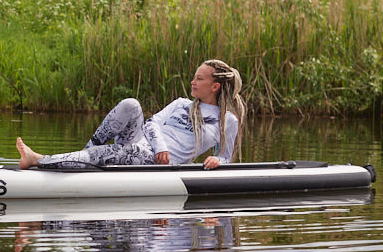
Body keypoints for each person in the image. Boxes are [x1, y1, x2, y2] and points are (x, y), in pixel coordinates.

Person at [16, 59, 246, 171]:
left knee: (116, 151)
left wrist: (218, 160)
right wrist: (161, 146)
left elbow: (226, 156)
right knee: (130, 104)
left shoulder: (228, 121)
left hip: (160, 164)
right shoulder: (181, 103)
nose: (192, 82)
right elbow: (151, 123)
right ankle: (86, 154)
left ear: (215, 87)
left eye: (199, 79)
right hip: (147, 147)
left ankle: (38, 159)